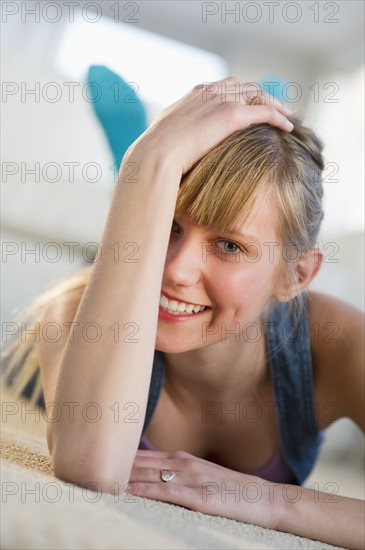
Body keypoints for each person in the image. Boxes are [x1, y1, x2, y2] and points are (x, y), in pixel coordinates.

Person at [3, 78, 364, 548]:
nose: (174, 269)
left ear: (295, 276)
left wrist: (270, 500)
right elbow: (91, 468)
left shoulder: (336, 340)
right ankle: (133, 170)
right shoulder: (72, 310)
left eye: (229, 245)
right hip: (117, 287)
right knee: (119, 270)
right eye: (169, 226)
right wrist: (147, 162)